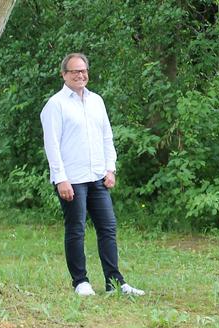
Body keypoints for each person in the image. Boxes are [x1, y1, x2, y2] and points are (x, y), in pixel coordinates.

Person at [40, 53, 144, 296]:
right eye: (74, 71)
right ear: (64, 74)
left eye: (83, 70)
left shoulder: (96, 100)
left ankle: (114, 282)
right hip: (72, 180)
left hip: (98, 176)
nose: (80, 75)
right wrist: (60, 178)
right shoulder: (55, 105)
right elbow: (52, 145)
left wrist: (111, 168)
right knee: (75, 229)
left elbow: (106, 135)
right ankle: (80, 282)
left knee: (108, 228)